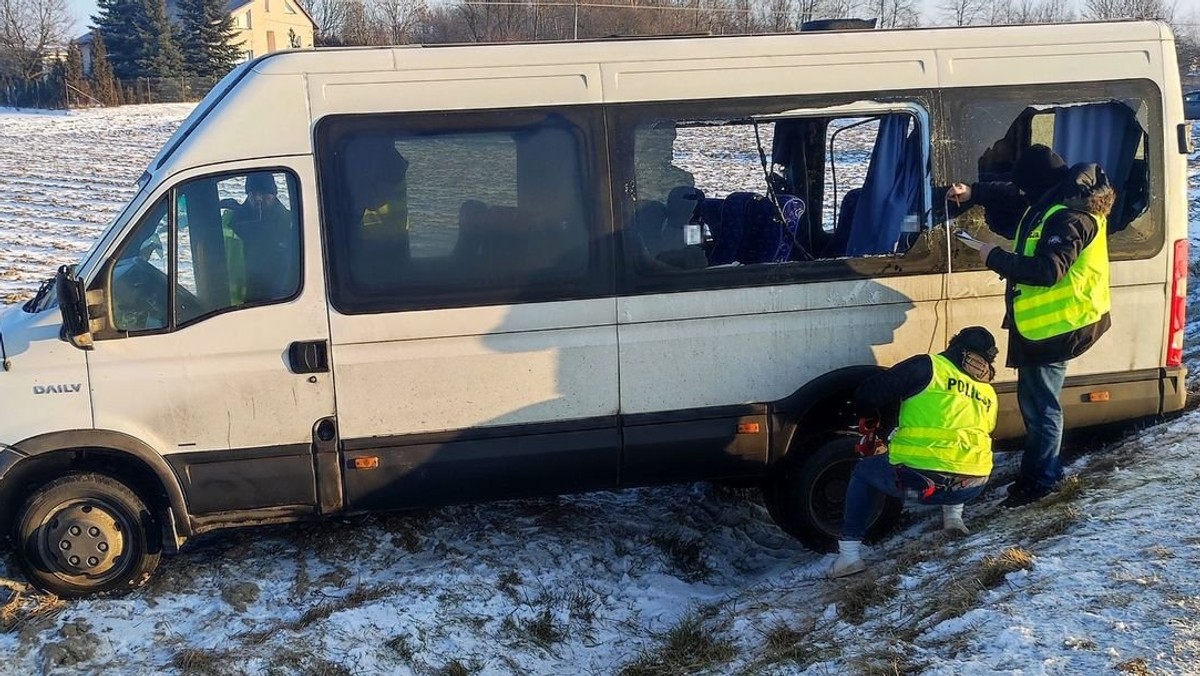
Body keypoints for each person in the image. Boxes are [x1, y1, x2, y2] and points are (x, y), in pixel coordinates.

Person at [946, 145, 1115, 508]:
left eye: (1025, 189)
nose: (1020, 195)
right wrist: (973, 193)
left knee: (1042, 408)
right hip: (1045, 324)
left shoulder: (1070, 217)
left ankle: (1042, 481)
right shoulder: (1053, 196)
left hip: (1058, 326)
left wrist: (995, 257)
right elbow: (1012, 191)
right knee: (1037, 403)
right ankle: (1039, 473)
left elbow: (1048, 271)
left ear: (1038, 185)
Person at [830, 327, 999, 579]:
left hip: (919, 486)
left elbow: (868, 392)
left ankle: (849, 556)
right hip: (972, 487)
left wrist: (870, 416)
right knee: (957, 452)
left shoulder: (927, 366)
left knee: (863, 473)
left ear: (953, 345)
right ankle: (953, 519)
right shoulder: (989, 393)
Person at [225, 172, 299, 303]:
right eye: (253, 193)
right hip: (229, 306)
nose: (259, 198)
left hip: (272, 304)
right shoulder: (230, 220)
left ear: (274, 194)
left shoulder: (291, 224)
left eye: (265, 193)